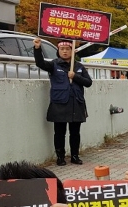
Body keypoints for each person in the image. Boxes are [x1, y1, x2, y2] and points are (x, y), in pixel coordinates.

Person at [33, 38, 92, 166]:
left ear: (72, 51)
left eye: (67, 49)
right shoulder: (54, 65)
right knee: (59, 133)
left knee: (75, 132)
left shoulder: (79, 66)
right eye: (62, 49)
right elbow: (40, 63)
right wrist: (37, 49)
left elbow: (88, 83)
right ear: (58, 51)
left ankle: (75, 156)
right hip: (59, 103)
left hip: (76, 103)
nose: (65, 52)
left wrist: (75, 76)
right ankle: (60, 157)